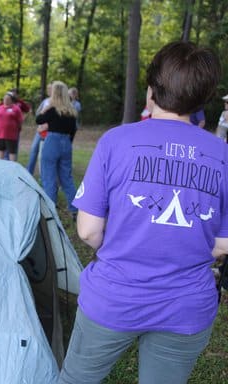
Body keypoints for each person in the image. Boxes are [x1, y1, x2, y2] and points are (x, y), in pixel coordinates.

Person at [58, 41, 227, 384]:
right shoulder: (222, 153)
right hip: (187, 305)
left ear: (151, 91)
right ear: (202, 99)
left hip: (113, 297)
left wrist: (123, 249)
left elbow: (88, 230)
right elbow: (223, 244)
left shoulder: (115, 142)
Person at [35, 81, 78, 219]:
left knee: (49, 177)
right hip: (66, 143)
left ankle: (50, 210)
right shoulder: (71, 112)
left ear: (54, 93)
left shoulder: (52, 110)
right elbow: (73, 130)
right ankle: (74, 209)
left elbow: (38, 120)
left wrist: (45, 109)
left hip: (52, 142)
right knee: (67, 178)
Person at [27, 83, 52, 175]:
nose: (49, 91)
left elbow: (56, 119)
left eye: (50, 89)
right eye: (48, 89)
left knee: (45, 155)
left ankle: (45, 175)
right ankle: (29, 172)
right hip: (40, 130)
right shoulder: (45, 101)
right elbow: (38, 114)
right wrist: (40, 126)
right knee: (34, 150)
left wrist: (46, 126)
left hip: (50, 132)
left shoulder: (58, 103)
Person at [0, 92, 23, 161]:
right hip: (0, 135)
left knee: (12, 153)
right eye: (4, 99)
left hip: (11, 135)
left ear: (11, 100)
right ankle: (0, 167)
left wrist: (17, 128)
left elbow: (20, 121)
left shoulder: (16, 109)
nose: (5, 100)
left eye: (7, 99)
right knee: (0, 152)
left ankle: (12, 169)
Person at [3, 88, 31, 160]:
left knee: (14, 145)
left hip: (16, 128)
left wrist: (23, 118)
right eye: (11, 93)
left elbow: (28, 110)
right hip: (5, 129)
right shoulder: (5, 102)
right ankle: (6, 160)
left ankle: (14, 160)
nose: (13, 95)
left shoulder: (19, 102)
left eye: (14, 93)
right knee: (5, 145)